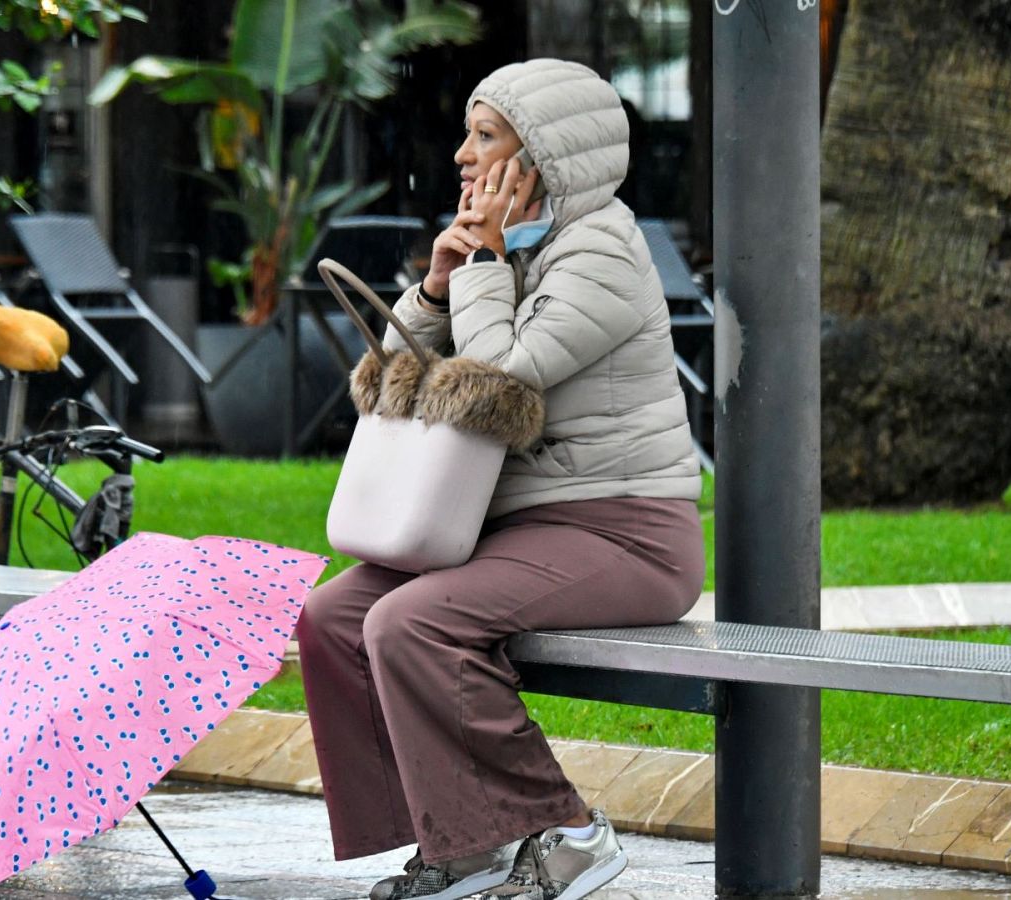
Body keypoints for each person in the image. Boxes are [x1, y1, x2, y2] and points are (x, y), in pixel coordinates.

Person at [295, 59, 705, 900]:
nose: (460, 155)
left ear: (544, 153)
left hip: (622, 533)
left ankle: (570, 832)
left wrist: (480, 267)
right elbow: (397, 390)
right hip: (514, 532)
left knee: (413, 621)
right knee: (335, 616)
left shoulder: (602, 250)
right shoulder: (517, 248)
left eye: (485, 136)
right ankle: (464, 842)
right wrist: (436, 290)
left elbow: (497, 385)